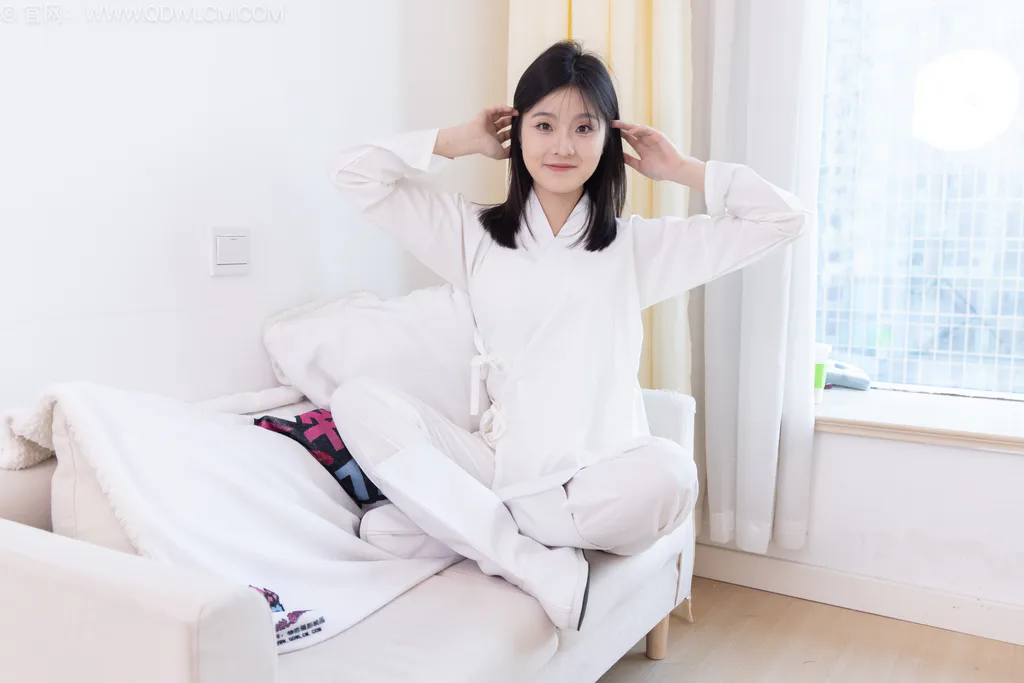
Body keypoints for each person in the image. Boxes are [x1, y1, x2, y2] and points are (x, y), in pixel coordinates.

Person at [328, 40, 808, 632]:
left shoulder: (636, 248)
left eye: (583, 128)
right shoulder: (471, 234)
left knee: (671, 476)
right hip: (501, 464)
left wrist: (681, 169)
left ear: (606, 141)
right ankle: (524, 557)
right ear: (517, 132)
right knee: (357, 400)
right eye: (544, 125)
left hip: (595, 480)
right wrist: (460, 139)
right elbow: (352, 173)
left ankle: (468, 524)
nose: (562, 146)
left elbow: (784, 219)